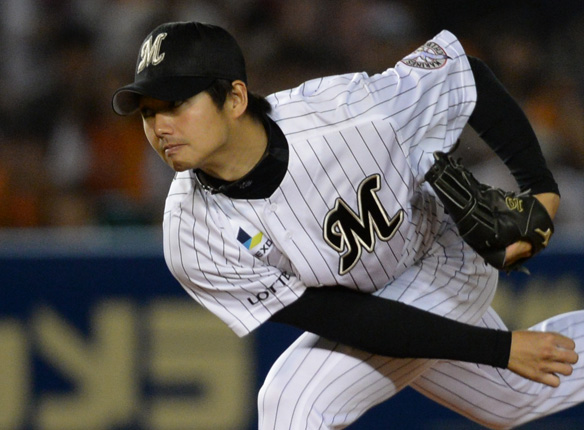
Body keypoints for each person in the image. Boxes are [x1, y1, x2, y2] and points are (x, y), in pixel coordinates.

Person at [112, 21, 584, 429]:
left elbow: (465, 76)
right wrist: (502, 349)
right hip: (372, 308)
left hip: (442, 257)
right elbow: (347, 320)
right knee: (516, 395)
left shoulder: (346, 111)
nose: (159, 127)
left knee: (294, 400)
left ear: (234, 98)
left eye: (175, 104)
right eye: (148, 112)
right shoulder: (190, 234)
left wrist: (541, 189)